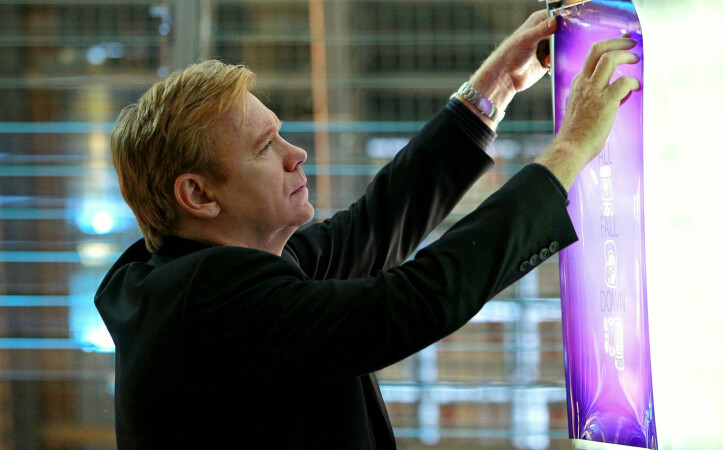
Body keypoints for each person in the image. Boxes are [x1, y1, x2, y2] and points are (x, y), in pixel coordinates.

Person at [95, 9, 640, 449]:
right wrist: (569, 152)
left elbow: (374, 227)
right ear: (198, 195)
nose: (295, 153)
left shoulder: (219, 270)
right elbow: (410, 302)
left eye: (281, 134)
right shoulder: (207, 306)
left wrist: (495, 86)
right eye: (264, 148)